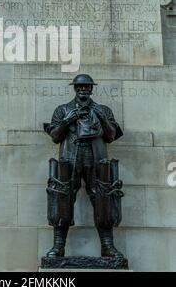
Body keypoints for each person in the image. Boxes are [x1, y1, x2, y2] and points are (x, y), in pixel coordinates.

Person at [44, 74, 123, 258]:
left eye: (87, 87)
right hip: (71, 156)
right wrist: (67, 120)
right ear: (75, 88)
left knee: (104, 197)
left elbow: (111, 136)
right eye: (80, 87)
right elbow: (55, 136)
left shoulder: (103, 110)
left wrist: (102, 117)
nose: (83, 90)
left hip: (96, 156)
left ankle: (107, 246)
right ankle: (58, 247)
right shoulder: (63, 110)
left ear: (92, 88)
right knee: (62, 196)